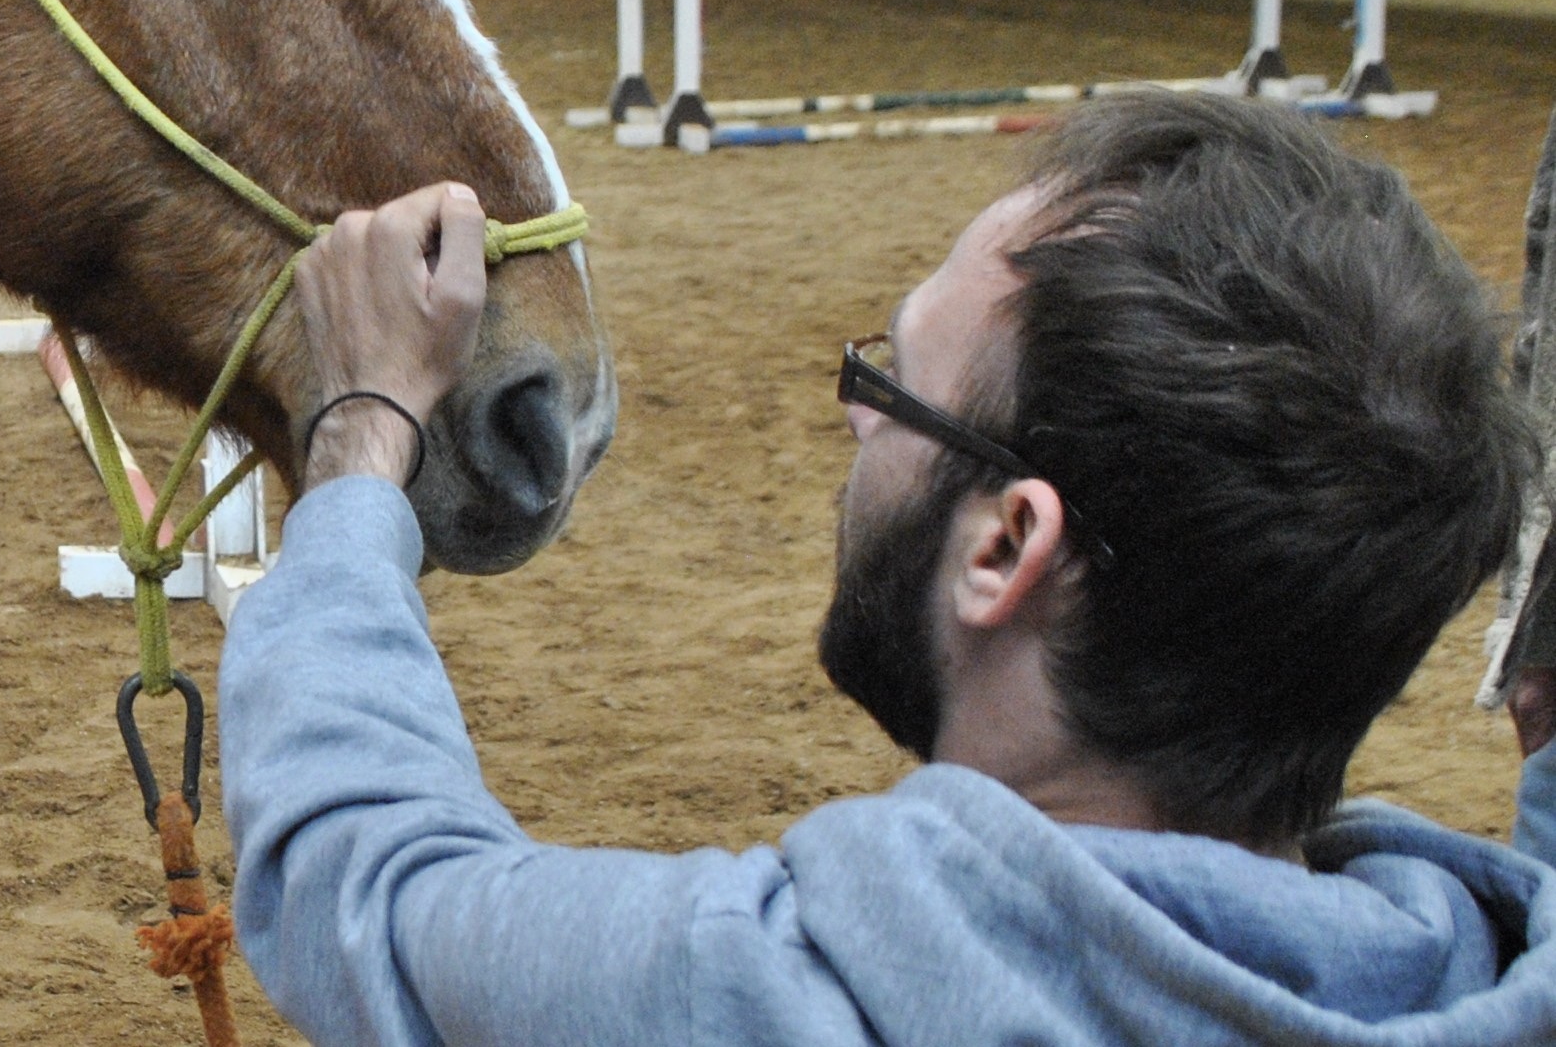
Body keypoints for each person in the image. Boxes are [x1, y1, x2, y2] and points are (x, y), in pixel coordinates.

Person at [226, 93, 1556, 1047]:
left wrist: (361, 435)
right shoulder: (1493, 956)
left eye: (896, 384)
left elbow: (372, 894)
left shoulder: (780, 994)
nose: (861, 416)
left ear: (1006, 548)